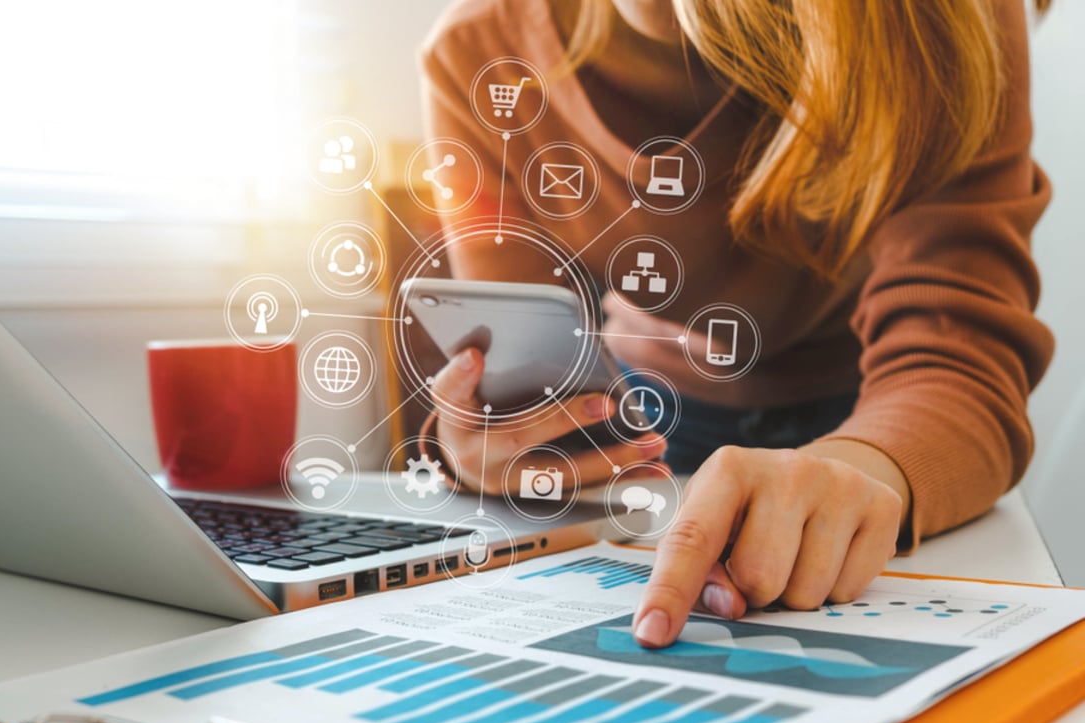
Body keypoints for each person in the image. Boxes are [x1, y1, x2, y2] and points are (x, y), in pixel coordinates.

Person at [416, 0, 1054, 648]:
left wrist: (864, 464)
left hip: (878, 409)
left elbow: (959, 350)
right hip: (641, 419)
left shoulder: (943, 17)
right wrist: (478, 446)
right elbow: (518, 362)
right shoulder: (477, 51)